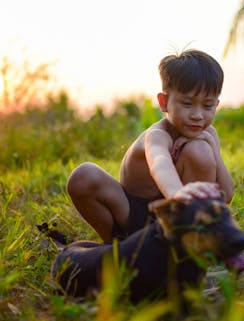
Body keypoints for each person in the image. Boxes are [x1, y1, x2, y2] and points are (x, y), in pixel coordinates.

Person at [67, 49, 234, 243]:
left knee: (200, 150)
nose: (197, 114)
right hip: (134, 214)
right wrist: (177, 194)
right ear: (164, 102)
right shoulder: (157, 135)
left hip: (180, 217)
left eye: (207, 106)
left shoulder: (207, 135)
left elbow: (226, 195)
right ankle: (116, 246)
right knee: (83, 175)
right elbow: (159, 162)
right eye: (187, 104)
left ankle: (192, 252)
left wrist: (212, 145)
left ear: (217, 104)